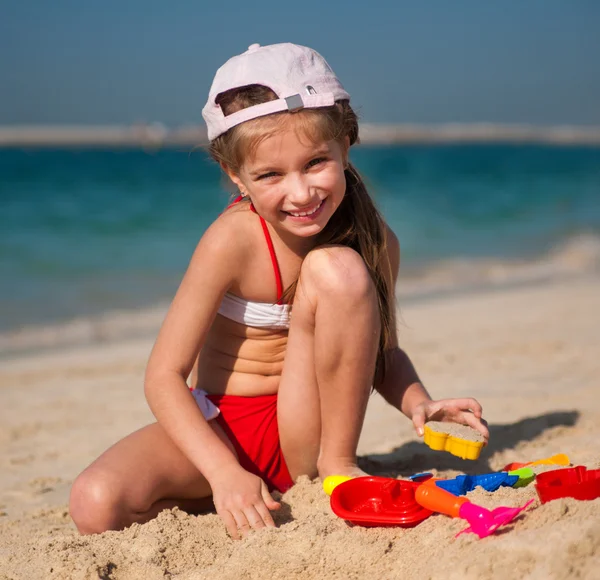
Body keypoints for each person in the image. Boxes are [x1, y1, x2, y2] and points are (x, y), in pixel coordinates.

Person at [69, 42, 489, 540]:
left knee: (337, 268)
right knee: (94, 504)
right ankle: (240, 490)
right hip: (222, 426)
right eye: (270, 174)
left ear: (346, 144)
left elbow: (381, 353)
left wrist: (418, 401)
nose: (301, 193)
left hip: (306, 435)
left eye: (315, 163)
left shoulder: (372, 239)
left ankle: (339, 469)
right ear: (236, 176)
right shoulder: (232, 240)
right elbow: (164, 377)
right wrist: (223, 473)